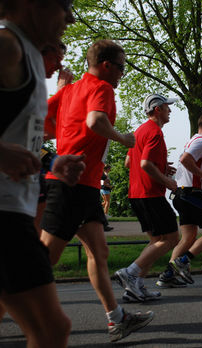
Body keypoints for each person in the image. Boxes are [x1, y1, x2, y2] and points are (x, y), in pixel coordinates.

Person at [40, 39, 154, 342]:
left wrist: (65, 138)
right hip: (71, 185)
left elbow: (42, 122)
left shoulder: (69, 89)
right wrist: (123, 139)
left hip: (85, 185)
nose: (122, 74)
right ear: (106, 65)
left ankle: (117, 319)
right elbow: (95, 120)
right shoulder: (101, 88)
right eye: (121, 67)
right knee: (40, 261)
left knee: (99, 253)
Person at [0, 1, 82, 346]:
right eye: (63, 4)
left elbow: (17, 134)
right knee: (51, 330)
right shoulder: (7, 46)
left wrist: (51, 163)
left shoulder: (28, 52)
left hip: (12, 206)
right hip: (3, 214)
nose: (70, 16)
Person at [114, 94, 180, 302]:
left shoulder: (140, 130)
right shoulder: (154, 132)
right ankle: (130, 273)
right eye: (167, 107)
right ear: (157, 109)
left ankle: (136, 288)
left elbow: (128, 162)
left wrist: (161, 167)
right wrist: (167, 181)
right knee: (172, 239)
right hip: (150, 194)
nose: (170, 110)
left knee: (156, 242)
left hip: (136, 194)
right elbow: (144, 164)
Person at [157, 112, 202, 287]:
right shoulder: (201, 142)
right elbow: (185, 160)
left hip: (182, 194)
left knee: (188, 238)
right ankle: (182, 261)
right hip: (191, 195)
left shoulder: (193, 140)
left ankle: (167, 275)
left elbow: (188, 164)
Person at [35, 41, 74, 235]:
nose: (59, 66)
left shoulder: (35, 86)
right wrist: (61, 92)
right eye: (55, 59)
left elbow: (48, 131)